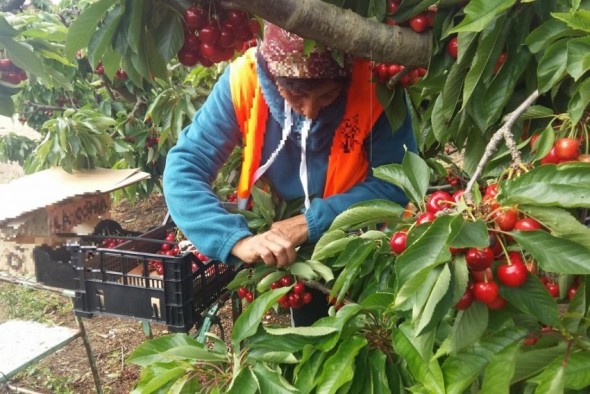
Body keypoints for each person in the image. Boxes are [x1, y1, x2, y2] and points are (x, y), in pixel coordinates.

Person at [163, 22, 417, 326]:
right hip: (291, 250)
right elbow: (185, 167)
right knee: (314, 334)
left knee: (379, 327)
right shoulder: (244, 80)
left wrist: (312, 222)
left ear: (346, 80)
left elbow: (398, 182)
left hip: (366, 242)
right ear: (271, 77)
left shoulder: (375, 85)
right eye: (295, 97)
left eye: (326, 96)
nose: (310, 111)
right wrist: (234, 240)